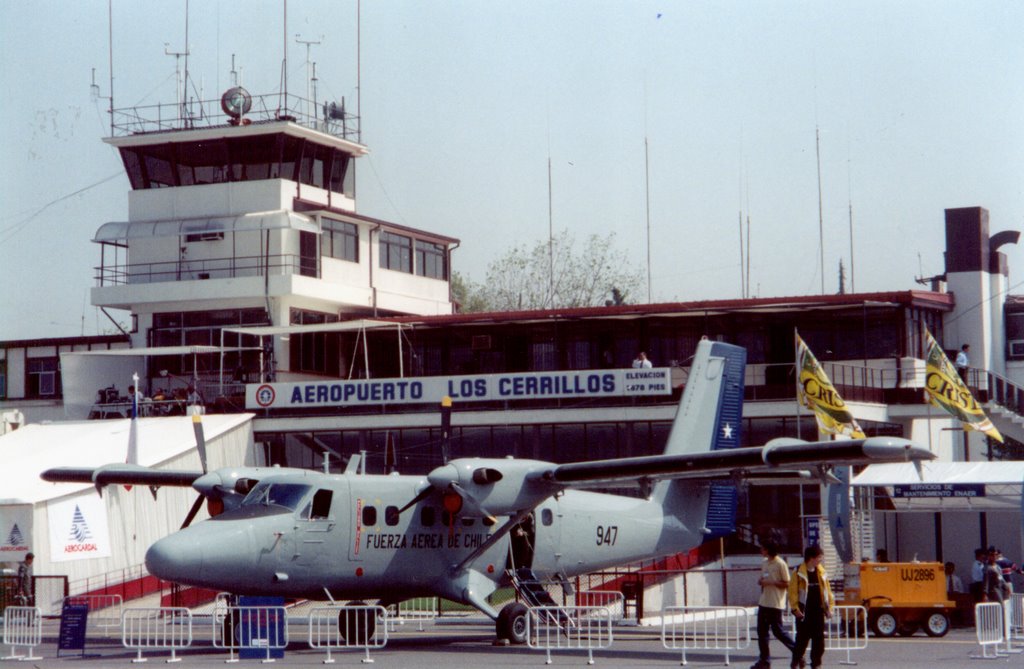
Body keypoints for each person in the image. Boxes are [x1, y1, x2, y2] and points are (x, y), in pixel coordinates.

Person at [751, 542, 796, 669]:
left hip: (775, 603)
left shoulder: (780, 564)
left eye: (763, 548)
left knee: (778, 631)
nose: (761, 550)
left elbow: (787, 583)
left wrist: (772, 582)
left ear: (768, 550)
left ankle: (797, 651)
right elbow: (762, 578)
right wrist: (761, 581)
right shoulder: (764, 563)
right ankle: (764, 661)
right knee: (762, 632)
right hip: (764, 601)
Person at [789, 545, 833, 669]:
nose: (821, 560)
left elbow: (827, 591)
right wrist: (794, 608)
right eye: (819, 557)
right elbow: (792, 592)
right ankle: (796, 659)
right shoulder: (798, 572)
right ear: (811, 558)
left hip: (818, 611)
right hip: (804, 612)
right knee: (802, 640)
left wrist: (829, 608)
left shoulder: (821, 572)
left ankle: (816, 663)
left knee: (819, 641)